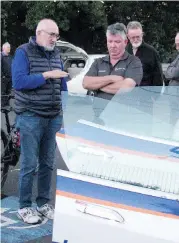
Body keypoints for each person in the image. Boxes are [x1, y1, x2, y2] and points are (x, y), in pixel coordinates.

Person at [12, 18, 68, 224]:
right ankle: (24, 207)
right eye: (51, 34)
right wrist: (46, 75)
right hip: (30, 116)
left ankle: (43, 203)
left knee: (47, 163)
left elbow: (62, 84)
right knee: (29, 164)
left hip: (53, 116)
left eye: (56, 35)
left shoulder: (56, 54)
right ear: (39, 33)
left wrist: (66, 108)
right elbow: (18, 82)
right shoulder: (23, 52)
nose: (54, 39)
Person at [83, 23, 143, 123]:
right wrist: (111, 78)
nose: (113, 45)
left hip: (123, 120)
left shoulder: (134, 62)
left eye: (117, 42)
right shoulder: (98, 62)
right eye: (110, 41)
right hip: (99, 118)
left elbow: (125, 88)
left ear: (125, 42)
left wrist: (97, 85)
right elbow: (85, 83)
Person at [126, 21, 163, 87]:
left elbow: (158, 77)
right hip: (127, 93)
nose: (136, 40)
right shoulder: (124, 51)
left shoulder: (152, 52)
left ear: (142, 35)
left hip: (146, 93)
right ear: (128, 36)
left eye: (138, 37)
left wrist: (155, 95)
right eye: (133, 37)